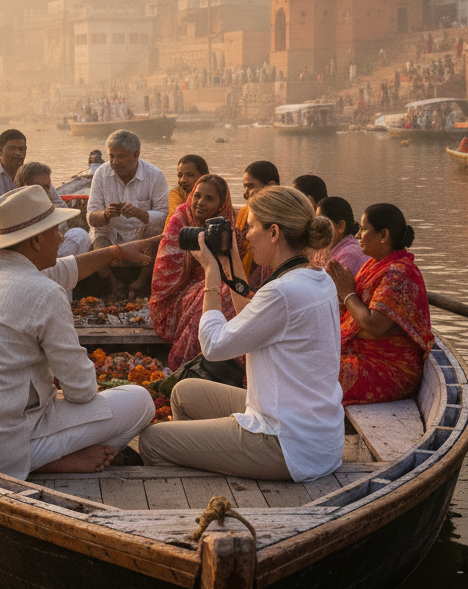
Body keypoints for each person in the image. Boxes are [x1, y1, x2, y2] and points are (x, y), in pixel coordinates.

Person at [0, 187, 154, 479]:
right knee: (140, 402)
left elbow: (61, 270)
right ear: (35, 240)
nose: (62, 237)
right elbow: (81, 390)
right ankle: (45, 460)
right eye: (56, 230)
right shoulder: (45, 293)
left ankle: (44, 452)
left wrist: (117, 251)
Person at [138, 186, 344, 482]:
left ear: (274, 232)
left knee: (153, 441)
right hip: (315, 433)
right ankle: (209, 466)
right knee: (185, 392)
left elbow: (212, 345)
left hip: (286, 444)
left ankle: (197, 496)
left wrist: (210, 273)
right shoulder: (316, 277)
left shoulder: (283, 291)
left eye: (251, 227)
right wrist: (228, 262)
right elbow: (252, 312)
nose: (245, 236)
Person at [326, 204, 433, 405]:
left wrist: (347, 293)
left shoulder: (399, 272)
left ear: (384, 235)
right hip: (364, 353)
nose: (357, 235)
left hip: (392, 367)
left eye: (364, 229)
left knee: (314, 376)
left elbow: (375, 325)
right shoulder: (374, 263)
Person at [150, 175, 243, 370]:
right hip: (174, 298)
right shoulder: (180, 219)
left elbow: (232, 270)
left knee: (231, 292)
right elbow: (164, 278)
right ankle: (192, 362)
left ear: (220, 205)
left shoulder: (225, 224)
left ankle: (224, 359)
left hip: (214, 286)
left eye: (209, 199)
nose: (200, 203)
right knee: (221, 292)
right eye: (197, 196)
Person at [86, 129, 169, 296]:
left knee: (158, 233)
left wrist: (139, 213)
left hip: (141, 233)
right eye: (111, 156)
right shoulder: (101, 173)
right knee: (98, 234)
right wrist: (106, 215)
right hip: (111, 233)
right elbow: (91, 217)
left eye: (121, 156)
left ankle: (140, 283)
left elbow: (164, 218)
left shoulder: (155, 175)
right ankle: (112, 282)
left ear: (135, 155)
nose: (115, 162)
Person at [0, 129, 65, 241]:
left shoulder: (34, 175)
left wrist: (45, 223)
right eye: (12, 148)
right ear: (0, 151)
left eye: (22, 149)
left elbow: (60, 206)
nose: (18, 153)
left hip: (30, 237)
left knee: (76, 234)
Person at [14, 161, 91, 257]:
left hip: (53, 255)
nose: (46, 191)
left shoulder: (47, 206)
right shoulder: (18, 211)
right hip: (33, 259)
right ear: (26, 186)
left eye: (47, 187)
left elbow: (63, 211)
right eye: (40, 187)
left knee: (79, 234)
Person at [236, 161, 279, 288]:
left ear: (270, 186)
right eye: (244, 187)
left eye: (250, 186)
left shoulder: (282, 217)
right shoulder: (245, 213)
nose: (245, 193)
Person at [311, 197, 370, 277]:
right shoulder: (330, 249)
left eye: (323, 223)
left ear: (340, 227)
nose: (317, 228)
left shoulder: (349, 255)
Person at [165, 154, 210, 228]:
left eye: (190, 175)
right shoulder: (177, 193)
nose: (183, 180)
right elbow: (174, 223)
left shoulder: (214, 192)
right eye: (180, 176)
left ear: (203, 176)